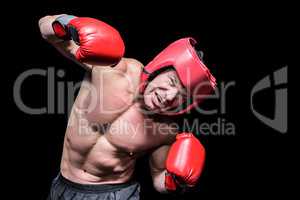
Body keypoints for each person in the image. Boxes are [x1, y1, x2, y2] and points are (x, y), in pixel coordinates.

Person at [38, 14, 216, 200]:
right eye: (171, 81)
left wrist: (175, 182)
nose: (169, 96)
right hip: (63, 185)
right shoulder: (113, 69)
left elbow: (158, 177)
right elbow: (45, 28)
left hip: (115, 194)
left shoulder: (166, 130)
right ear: (159, 67)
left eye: (182, 95)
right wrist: (67, 24)